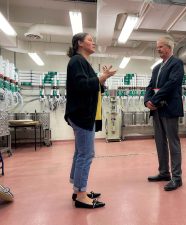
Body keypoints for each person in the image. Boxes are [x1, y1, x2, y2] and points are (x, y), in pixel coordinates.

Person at [65, 32, 116, 209]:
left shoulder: (83, 62)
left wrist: (101, 81)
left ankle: (78, 189)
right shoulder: (77, 61)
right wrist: (101, 78)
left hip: (83, 114)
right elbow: (82, 86)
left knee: (80, 153)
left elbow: (91, 87)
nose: (93, 43)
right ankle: (81, 195)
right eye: (90, 40)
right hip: (82, 115)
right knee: (86, 154)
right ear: (80, 43)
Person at [144, 36, 184, 191]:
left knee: (173, 142)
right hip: (157, 110)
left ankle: (177, 177)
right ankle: (163, 172)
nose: (158, 49)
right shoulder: (156, 68)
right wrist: (147, 101)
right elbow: (149, 86)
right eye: (157, 47)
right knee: (160, 142)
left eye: (161, 47)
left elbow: (172, 84)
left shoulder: (176, 63)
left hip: (169, 108)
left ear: (169, 47)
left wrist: (154, 100)